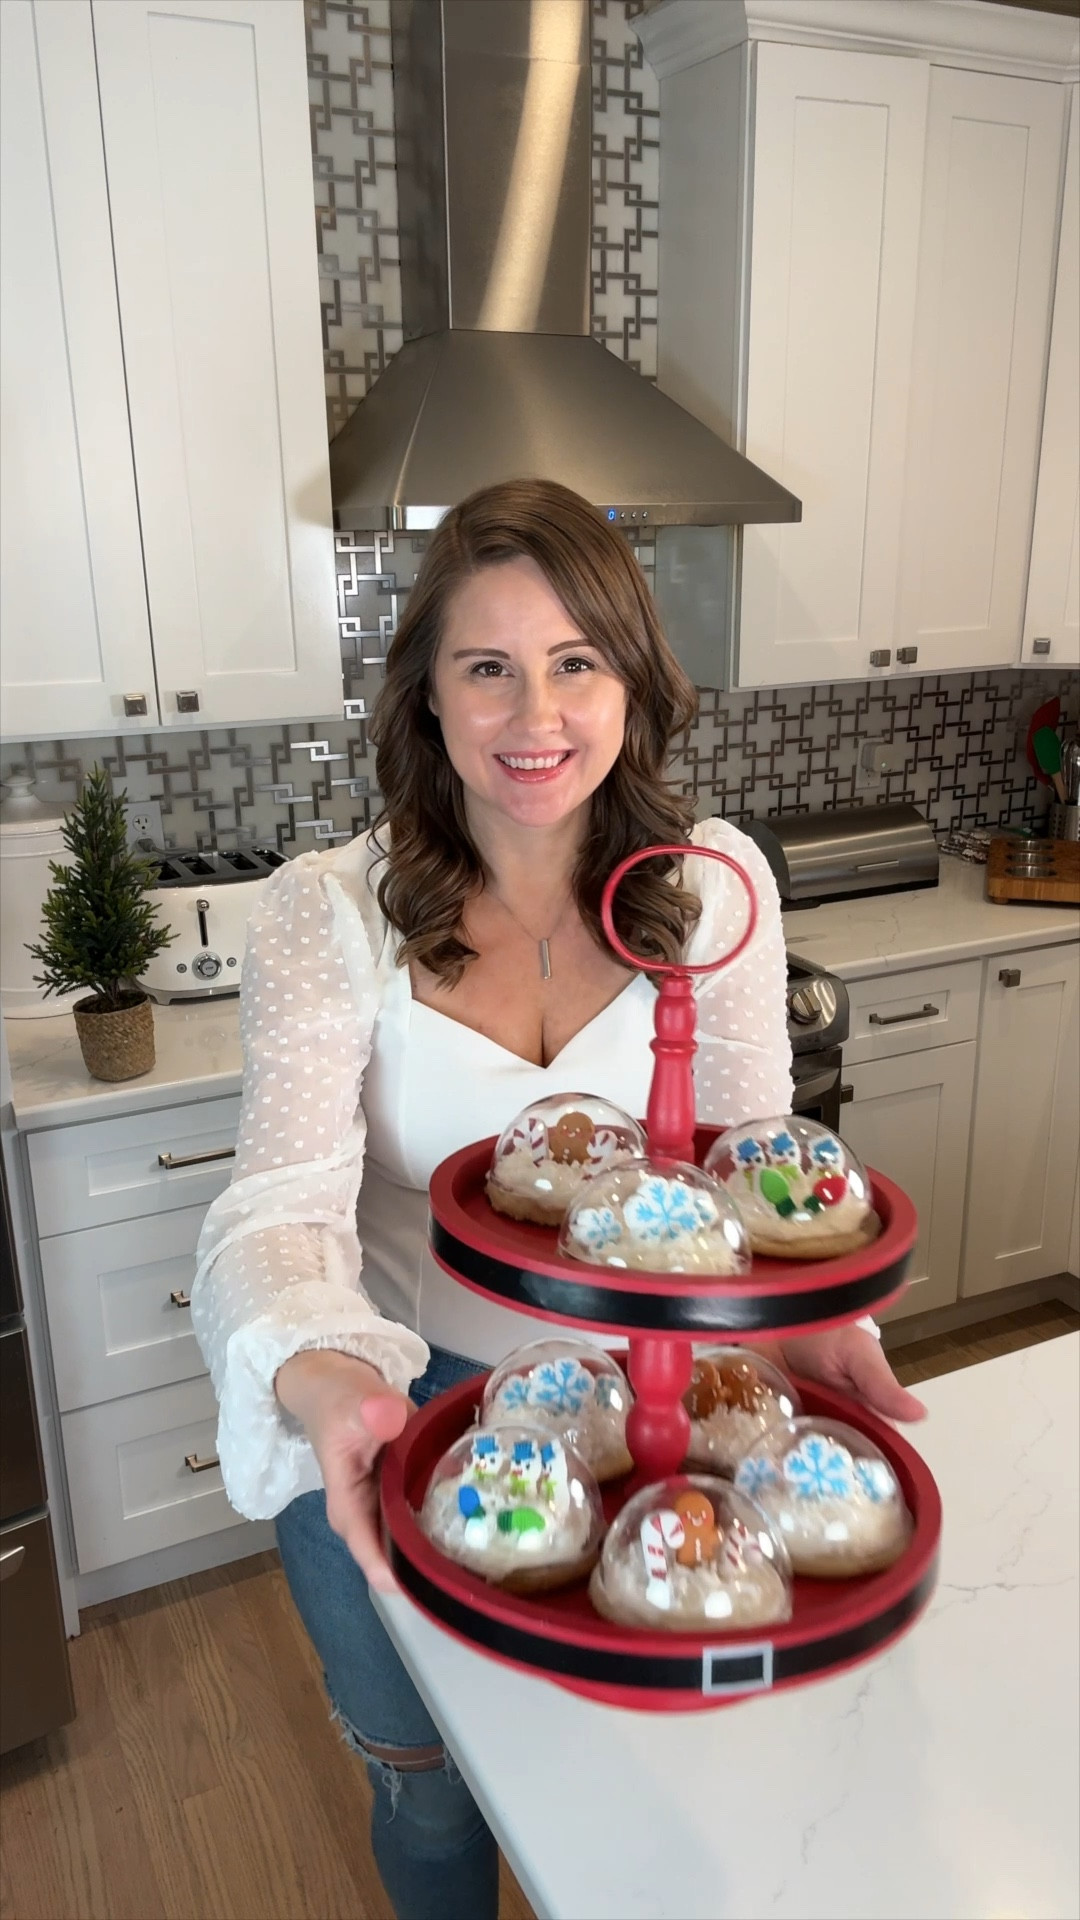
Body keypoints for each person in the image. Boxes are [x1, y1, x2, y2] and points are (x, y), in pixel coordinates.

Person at [192, 479, 924, 1920]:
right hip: (407, 1419)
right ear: (429, 697)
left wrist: (806, 1330)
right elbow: (274, 1206)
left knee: (645, 1794)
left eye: (576, 660)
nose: (537, 713)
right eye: (489, 667)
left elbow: (749, 1167)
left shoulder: (712, 890)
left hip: (666, 1411)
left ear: (632, 680)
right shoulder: (327, 911)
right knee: (428, 1784)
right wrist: (332, 1383)